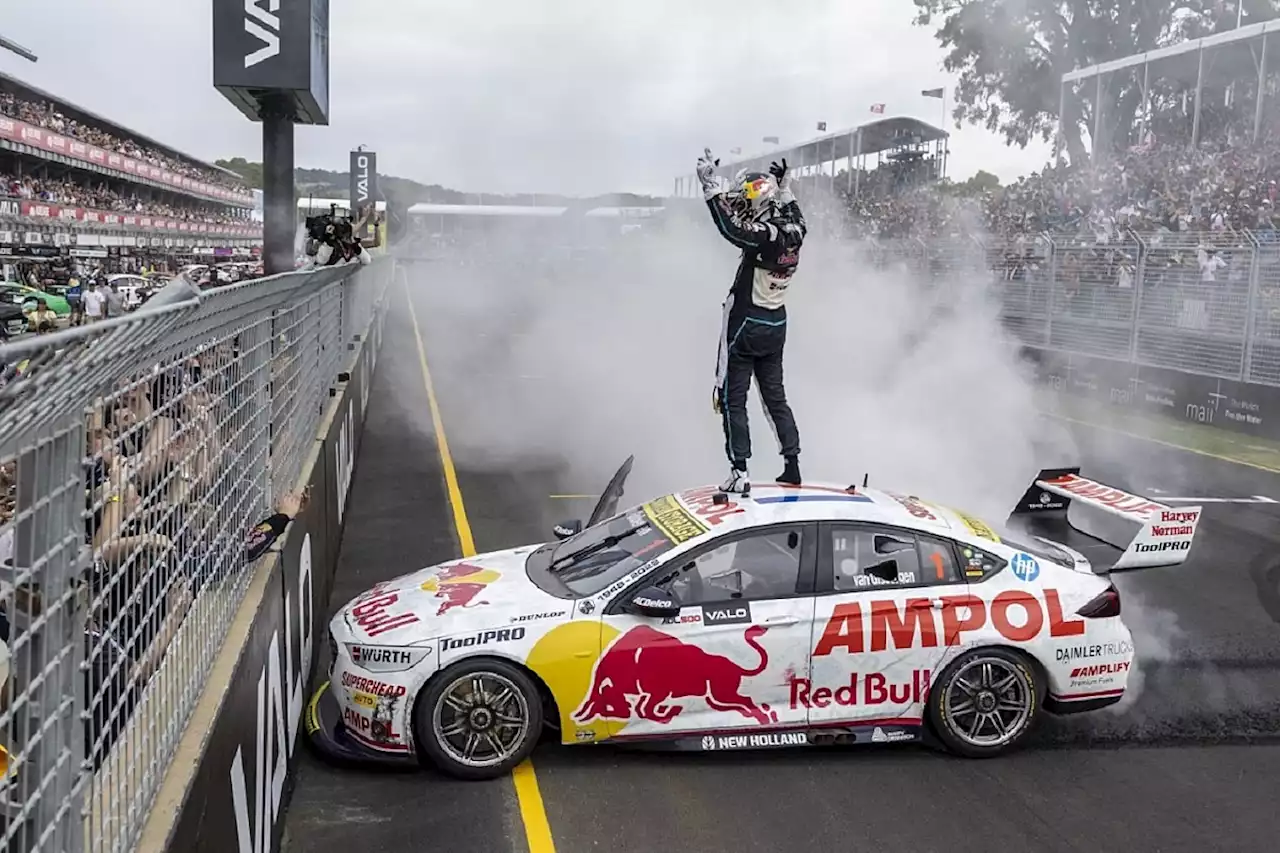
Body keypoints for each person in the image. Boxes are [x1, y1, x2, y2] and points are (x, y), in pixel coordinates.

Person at [696, 149, 807, 494]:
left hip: (746, 324)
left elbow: (734, 229)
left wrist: (711, 189)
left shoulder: (767, 235)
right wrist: (785, 189)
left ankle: (739, 471)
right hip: (777, 325)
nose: (742, 203)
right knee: (776, 398)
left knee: (733, 399)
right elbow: (793, 214)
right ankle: (792, 464)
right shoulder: (797, 230)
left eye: (747, 199)